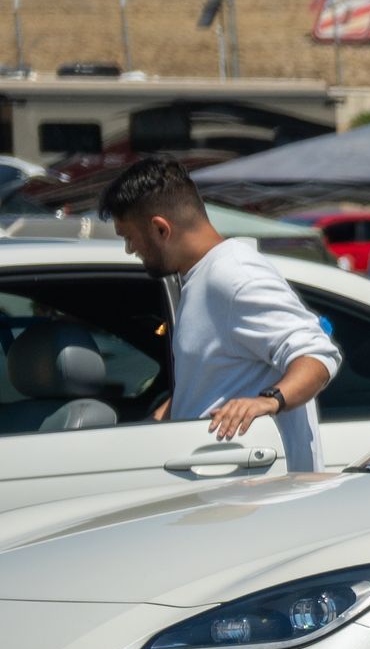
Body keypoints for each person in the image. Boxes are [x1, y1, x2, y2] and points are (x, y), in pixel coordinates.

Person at [97, 156, 341, 472]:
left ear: (160, 229)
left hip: (256, 501)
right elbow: (214, 377)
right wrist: (159, 420)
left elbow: (317, 355)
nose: (130, 249)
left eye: (129, 237)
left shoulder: (232, 275)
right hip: (228, 495)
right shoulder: (202, 277)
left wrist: (268, 401)